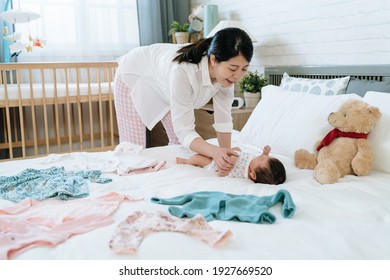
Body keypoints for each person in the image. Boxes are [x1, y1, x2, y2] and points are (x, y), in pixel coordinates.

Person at [114, 27, 254, 174]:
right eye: (233, 68)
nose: (237, 76)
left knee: (180, 144)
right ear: (213, 60)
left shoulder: (226, 78)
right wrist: (215, 152)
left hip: (163, 83)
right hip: (134, 73)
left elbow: (223, 121)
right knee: (133, 149)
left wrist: (226, 153)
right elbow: (185, 131)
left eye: (244, 69)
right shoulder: (183, 71)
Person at [176, 145, 286, 185]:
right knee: (237, 148)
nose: (261, 156)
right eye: (266, 157)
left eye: (262, 158)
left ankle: (187, 161)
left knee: (198, 158)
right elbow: (264, 160)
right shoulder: (256, 164)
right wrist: (265, 153)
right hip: (230, 154)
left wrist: (223, 170)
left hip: (216, 163)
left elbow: (223, 173)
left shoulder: (241, 172)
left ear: (252, 175)